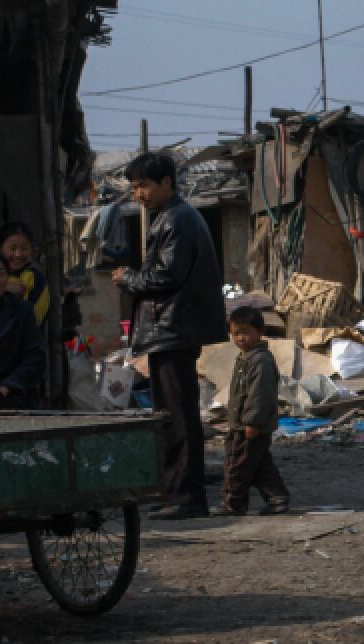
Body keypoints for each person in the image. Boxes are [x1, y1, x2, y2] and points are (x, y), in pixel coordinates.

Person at [113, 152, 227, 520]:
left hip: (173, 329)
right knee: (171, 415)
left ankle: (187, 498)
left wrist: (127, 278)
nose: (139, 194)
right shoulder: (172, 216)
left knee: (178, 417)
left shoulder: (177, 219)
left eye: (144, 186)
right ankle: (175, 491)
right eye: (134, 188)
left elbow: (166, 276)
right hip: (171, 329)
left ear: (166, 183)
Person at [211, 306, 289, 517]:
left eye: (246, 332)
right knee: (259, 464)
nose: (240, 338)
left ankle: (233, 504)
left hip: (251, 425)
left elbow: (258, 395)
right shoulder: (246, 358)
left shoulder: (260, 360)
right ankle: (278, 499)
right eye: (236, 333)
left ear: (260, 331)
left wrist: (252, 422)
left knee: (237, 466)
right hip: (244, 424)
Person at [0, 246, 45, 412]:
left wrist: (9, 386)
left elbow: (35, 356)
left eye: (1, 273)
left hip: (14, 395)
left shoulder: (22, 311)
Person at [0, 222, 49, 327]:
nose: (18, 254)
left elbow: (33, 320)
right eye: (12, 248)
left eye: (24, 249)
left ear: (31, 250)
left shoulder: (37, 279)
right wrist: (2, 289)